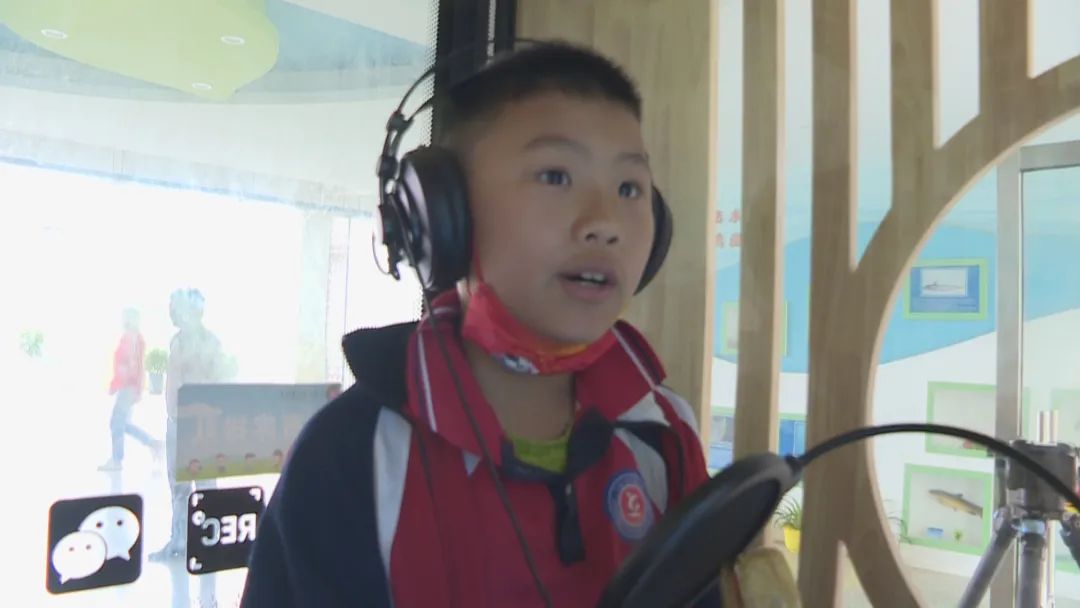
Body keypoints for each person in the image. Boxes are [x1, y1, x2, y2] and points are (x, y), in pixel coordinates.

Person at [241, 42, 716, 607]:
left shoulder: (665, 432)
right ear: (442, 216)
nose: (605, 222)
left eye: (629, 188)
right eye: (556, 176)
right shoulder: (352, 454)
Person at [150, 288, 229, 562]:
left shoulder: (208, 343)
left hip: (198, 424)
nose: (171, 312)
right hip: (179, 422)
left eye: (175, 306)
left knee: (202, 485)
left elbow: (219, 382)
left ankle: (206, 541)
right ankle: (182, 542)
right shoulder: (179, 341)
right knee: (181, 487)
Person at [98, 308, 161, 472]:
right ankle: (153, 443)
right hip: (131, 387)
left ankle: (117, 460)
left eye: (125, 317)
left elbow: (128, 365)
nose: (122, 319)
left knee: (116, 422)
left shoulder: (130, 338)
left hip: (126, 387)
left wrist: (117, 384)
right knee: (122, 423)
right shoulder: (137, 338)